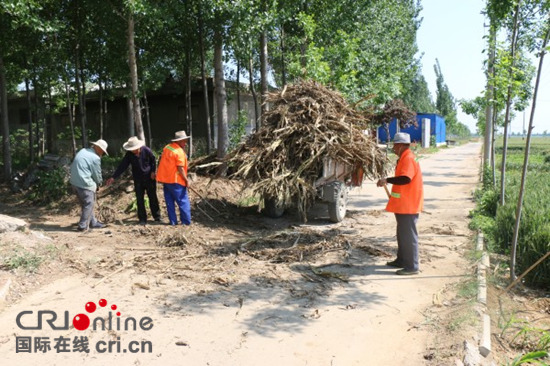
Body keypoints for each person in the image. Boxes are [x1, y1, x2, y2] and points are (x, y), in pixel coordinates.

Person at [376, 132, 423, 275]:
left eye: (395, 146)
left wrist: (387, 180)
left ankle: (412, 266)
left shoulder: (408, 158)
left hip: (408, 205)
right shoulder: (404, 157)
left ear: (401, 145)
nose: (393, 149)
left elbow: (405, 179)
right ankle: (402, 260)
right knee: (402, 233)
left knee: (408, 235)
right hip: (404, 204)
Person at [105, 136, 161, 225]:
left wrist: (153, 171)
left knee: (153, 197)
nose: (133, 151)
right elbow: (122, 166)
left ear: (138, 147)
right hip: (138, 179)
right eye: (131, 149)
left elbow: (153, 161)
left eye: (134, 149)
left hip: (149, 178)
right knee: (139, 199)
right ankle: (142, 219)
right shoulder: (129, 154)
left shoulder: (146, 150)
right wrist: (113, 177)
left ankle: (157, 217)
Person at [70, 139, 109, 232]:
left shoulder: (83, 151)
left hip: (74, 182)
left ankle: (93, 222)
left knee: (86, 204)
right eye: (102, 151)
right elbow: (97, 173)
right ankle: (83, 225)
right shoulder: (95, 158)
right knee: (89, 204)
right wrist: (99, 183)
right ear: (98, 148)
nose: (102, 153)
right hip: (84, 183)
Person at [156, 130, 191, 225]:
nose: (185, 143)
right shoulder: (179, 152)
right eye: (184, 141)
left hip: (166, 180)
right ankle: (186, 222)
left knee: (169, 202)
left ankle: (173, 222)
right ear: (179, 141)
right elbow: (180, 168)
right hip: (176, 181)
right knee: (183, 201)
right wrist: (186, 180)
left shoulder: (167, 148)